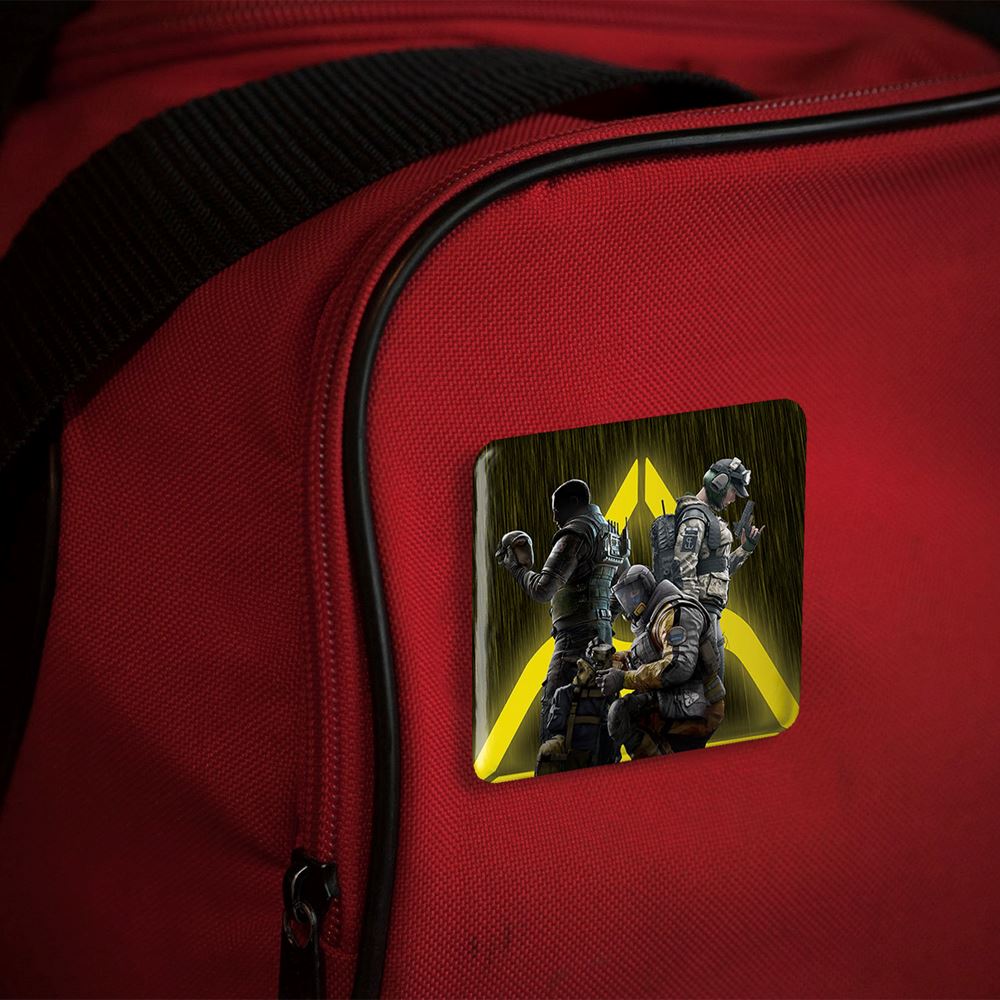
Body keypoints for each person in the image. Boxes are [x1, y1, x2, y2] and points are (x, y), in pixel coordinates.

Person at [496, 479, 629, 759]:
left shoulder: (576, 532)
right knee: (602, 714)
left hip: (573, 642)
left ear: (573, 503)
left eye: (557, 510)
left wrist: (517, 570)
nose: (555, 518)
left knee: (555, 715)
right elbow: (624, 588)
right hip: (603, 638)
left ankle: (554, 780)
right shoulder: (611, 535)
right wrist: (602, 616)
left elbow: (543, 589)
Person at [597, 565, 725, 757]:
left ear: (647, 587)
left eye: (633, 593)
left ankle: (657, 766)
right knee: (623, 714)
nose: (630, 602)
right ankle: (662, 760)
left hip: (699, 704)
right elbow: (646, 657)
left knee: (622, 714)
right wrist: (610, 661)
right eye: (625, 597)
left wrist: (624, 679)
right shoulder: (656, 618)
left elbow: (678, 667)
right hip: (678, 697)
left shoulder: (677, 613)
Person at [672, 457, 763, 680]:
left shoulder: (707, 517)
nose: (734, 498)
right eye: (733, 491)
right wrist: (693, 618)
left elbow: (717, 571)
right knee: (709, 685)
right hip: (701, 614)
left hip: (710, 613)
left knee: (714, 684)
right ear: (718, 484)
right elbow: (683, 566)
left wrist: (745, 549)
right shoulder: (694, 517)